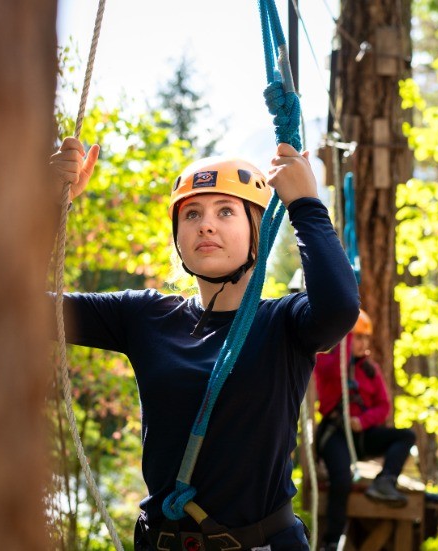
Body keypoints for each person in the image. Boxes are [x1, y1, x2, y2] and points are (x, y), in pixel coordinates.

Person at [50, 136, 360, 551]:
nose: (205, 224)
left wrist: (305, 206)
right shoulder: (146, 316)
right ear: (178, 236)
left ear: (258, 232)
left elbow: (340, 308)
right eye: (191, 213)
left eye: (226, 211)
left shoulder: (285, 322)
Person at [313, 309, 416, 551]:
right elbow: (323, 370)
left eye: (365, 338)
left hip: (362, 435)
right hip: (335, 435)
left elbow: (384, 406)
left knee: (406, 436)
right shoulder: (328, 363)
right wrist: (342, 343)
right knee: (341, 480)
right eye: (357, 337)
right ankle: (331, 540)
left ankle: (385, 481)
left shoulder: (370, 369)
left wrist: (365, 420)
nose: (363, 343)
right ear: (346, 338)